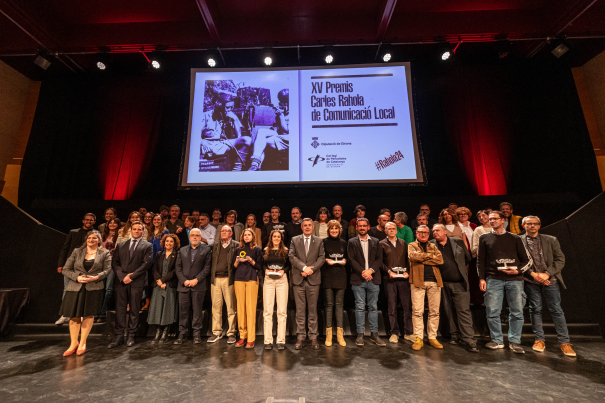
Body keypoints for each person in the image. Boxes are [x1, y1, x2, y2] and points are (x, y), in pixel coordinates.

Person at [521, 216, 575, 357]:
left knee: (556, 310)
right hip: (531, 280)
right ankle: (539, 339)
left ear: (539, 225)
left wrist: (547, 274)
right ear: (523, 225)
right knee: (535, 309)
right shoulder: (518, 241)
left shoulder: (551, 239)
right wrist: (534, 275)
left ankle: (565, 342)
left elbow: (560, 259)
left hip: (550, 280)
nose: (532, 226)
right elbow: (518, 261)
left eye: (535, 223)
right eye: (529, 224)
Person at [478, 211, 531, 353]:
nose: (492, 221)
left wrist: (518, 271)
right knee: (492, 311)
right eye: (490, 219)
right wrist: (482, 278)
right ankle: (496, 340)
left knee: (517, 312)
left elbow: (527, 260)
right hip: (493, 279)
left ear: (503, 220)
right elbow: (480, 261)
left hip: (514, 280)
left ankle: (514, 342)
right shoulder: (484, 238)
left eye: (495, 219)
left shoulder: (515, 238)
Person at [59, 230, 112, 356]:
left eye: (94, 238)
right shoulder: (77, 251)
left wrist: (96, 277)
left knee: (88, 315)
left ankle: (82, 342)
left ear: (99, 240)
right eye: (89, 238)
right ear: (86, 239)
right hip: (75, 287)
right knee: (74, 316)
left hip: (93, 287)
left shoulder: (105, 252)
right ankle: (73, 343)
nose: (91, 240)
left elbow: (108, 270)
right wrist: (77, 277)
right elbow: (65, 269)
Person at [431, 224, 478, 353]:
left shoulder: (457, 241)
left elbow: (467, 258)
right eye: (433, 231)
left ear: (445, 232)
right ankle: (455, 335)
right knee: (448, 310)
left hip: (459, 283)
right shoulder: (431, 244)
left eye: (437, 230)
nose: (435, 233)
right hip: (441, 284)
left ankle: (469, 339)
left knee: (463, 311)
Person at [108, 221, 153, 348]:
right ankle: (118, 337)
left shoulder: (147, 246)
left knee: (134, 309)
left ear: (143, 231)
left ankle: (131, 336)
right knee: (120, 310)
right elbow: (115, 263)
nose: (137, 231)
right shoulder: (121, 245)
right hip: (121, 282)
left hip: (137, 282)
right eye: (135, 229)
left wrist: (131, 276)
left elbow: (146, 264)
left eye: (140, 229)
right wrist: (123, 277)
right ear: (131, 230)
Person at [348, 217, 386, 347]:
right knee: (359, 307)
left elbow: (379, 259)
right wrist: (363, 272)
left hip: (373, 278)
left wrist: (370, 271)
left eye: (365, 226)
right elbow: (351, 260)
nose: (362, 228)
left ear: (368, 227)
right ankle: (360, 334)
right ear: (357, 227)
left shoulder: (376, 241)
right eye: (360, 226)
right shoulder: (352, 242)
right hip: (358, 279)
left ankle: (374, 334)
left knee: (373, 307)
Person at [289, 218, 326, 349]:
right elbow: (291, 256)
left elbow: (322, 257)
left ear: (312, 226)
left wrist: (311, 270)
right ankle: (300, 337)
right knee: (300, 311)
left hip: (313, 279)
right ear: (301, 227)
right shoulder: (295, 240)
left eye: (310, 225)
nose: (307, 227)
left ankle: (313, 337)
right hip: (299, 279)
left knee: (312, 310)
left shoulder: (319, 241)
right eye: (305, 225)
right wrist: (304, 268)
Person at [55, 213, 97, 325]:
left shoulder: (96, 234)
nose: (89, 221)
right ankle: (65, 315)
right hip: (70, 265)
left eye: (91, 220)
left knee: (83, 290)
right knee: (67, 289)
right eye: (87, 219)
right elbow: (65, 248)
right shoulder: (73, 232)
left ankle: (81, 315)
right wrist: (61, 264)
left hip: (87, 265)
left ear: (94, 222)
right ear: (83, 221)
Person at [408, 225, 444, 350]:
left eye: (425, 232)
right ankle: (418, 337)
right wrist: (429, 256)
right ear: (416, 233)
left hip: (434, 282)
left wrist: (422, 257)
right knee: (418, 311)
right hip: (418, 281)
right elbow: (413, 257)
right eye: (420, 232)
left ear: (428, 234)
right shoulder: (411, 245)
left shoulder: (433, 246)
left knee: (435, 311)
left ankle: (432, 337)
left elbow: (440, 260)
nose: (423, 234)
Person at [174, 228, 212, 345]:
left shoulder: (206, 250)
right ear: (189, 237)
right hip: (183, 285)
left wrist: (196, 280)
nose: (195, 237)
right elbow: (178, 268)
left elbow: (207, 268)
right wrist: (184, 281)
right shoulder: (182, 250)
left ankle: (196, 334)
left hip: (198, 285)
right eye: (193, 235)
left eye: (197, 235)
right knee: (183, 311)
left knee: (197, 311)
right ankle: (182, 334)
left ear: (200, 238)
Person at [380, 222, 414, 344]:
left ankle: (408, 333)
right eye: (389, 229)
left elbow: (407, 260)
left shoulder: (403, 243)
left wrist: (407, 272)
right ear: (385, 231)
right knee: (392, 307)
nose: (392, 230)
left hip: (403, 279)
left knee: (407, 306)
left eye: (394, 228)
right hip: (389, 279)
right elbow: (380, 262)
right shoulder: (381, 244)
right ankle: (394, 333)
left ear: (396, 230)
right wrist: (388, 271)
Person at [208, 226, 239, 344]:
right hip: (215, 279)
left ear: (231, 233)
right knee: (216, 308)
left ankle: (231, 333)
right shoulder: (215, 246)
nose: (224, 233)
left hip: (228, 279)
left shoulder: (236, 245)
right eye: (222, 231)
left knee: (231, 308)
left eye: (226, 231)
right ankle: (216, 332)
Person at [233, 228, 264, 348]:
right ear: (242, 237)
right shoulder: (237, 249)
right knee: (241, 309)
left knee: (250, 309)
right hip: (239, 279)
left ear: (253, 236)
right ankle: (242, 336)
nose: (246, 237)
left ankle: (251, 338)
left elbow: (260, 266)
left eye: (248, 235)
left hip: (251, 279)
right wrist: (237, 261)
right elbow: (234, 266)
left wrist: (251, 261)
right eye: (245, 235)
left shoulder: (256, 249)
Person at [147, 234, 180, 346]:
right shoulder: (159, 254)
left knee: (167, 309)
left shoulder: (177, 255)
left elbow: (175, 271)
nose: (169, 243)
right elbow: (154, 269)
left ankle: (165, 332)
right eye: (167, 241)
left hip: (170, 285)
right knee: (157, 309)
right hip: (158, 285)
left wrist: (164, 280)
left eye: (171, 242)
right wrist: (159, 281)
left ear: (174, 243)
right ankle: (158, 332)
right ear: (163, 243)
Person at [321, 220, 348, 347]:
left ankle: (340, 335)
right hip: (327, 275)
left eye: (336, 228)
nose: (334, 230)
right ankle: (328, 335)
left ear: (339, 230)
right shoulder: (324, 242)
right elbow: (321, 257)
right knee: (329, 304)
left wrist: (344, 261)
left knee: (339, 305)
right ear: (328, 229)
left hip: (341, 275)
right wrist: (326, 260)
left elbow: (347, 257)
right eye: (331, 228)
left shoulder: (344, 243)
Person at [262, 230, 290, 350]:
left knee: (281, 312)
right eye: (274, 236)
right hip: (268, 280)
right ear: (271, 238)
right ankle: (268, 341)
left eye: (279, 237)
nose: (277, 238)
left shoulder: (286, 251)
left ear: (281, 238)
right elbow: (262, 264)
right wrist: (265, 270)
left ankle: (280, 340)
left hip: (281, 280)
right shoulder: (266, 250)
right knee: (268, 311)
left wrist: (284, 271)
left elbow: (289, 265)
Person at [98, 217, 121, 323]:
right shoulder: (102, 235)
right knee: (99, 289)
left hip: (112, 264)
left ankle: (103, 313)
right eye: (110, 222)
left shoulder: (120, 235)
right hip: (101, 264)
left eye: (114, 223)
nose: (112, 224)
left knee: (109, 289)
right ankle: (96, 312)